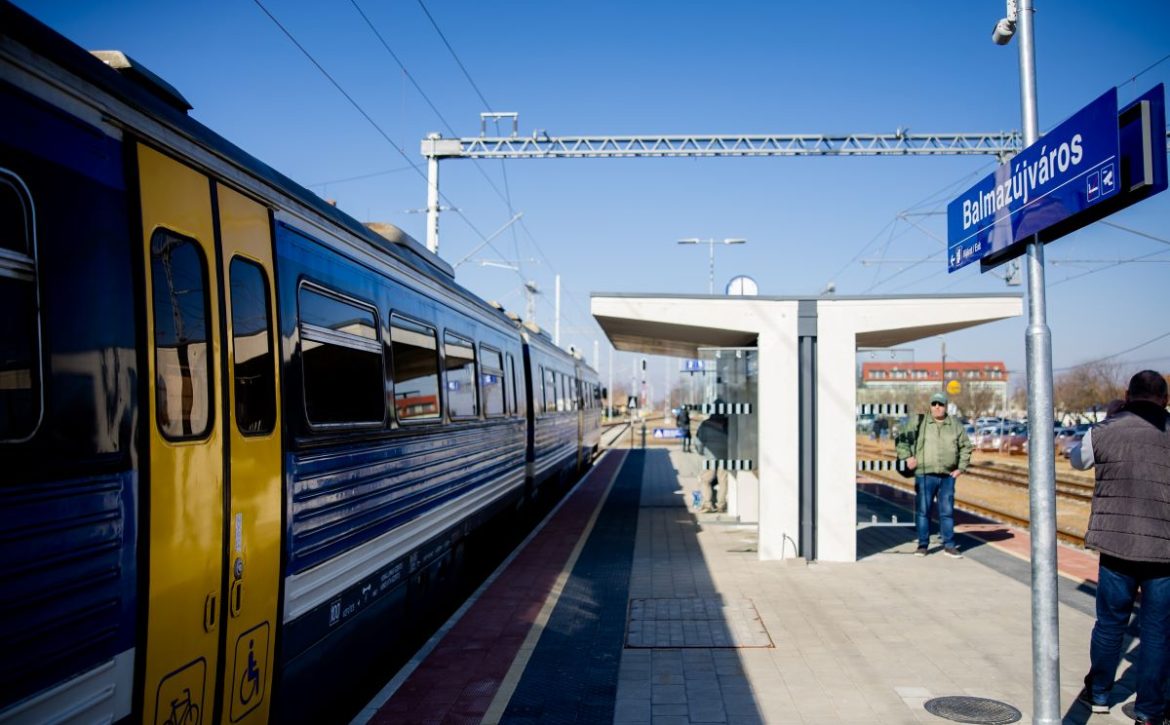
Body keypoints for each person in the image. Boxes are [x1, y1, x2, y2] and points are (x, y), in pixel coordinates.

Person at [1069, 371, 1169, 725]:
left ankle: (1098, 693)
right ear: (1165, 399)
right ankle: (1148, 711)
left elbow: (1076, 460)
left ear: (1127, 395)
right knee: (1157, 631)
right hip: (1164, 552)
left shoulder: (1106, 430)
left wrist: (1110, 418)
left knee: (1110, 624)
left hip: (1115, 544)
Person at [895, 392, 972, 558]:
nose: (937, 407)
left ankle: (949, 546)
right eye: (934, 403)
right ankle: (923, 545)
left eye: (941, 404)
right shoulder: (919, 421)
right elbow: (902, 440)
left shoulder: (955, 425)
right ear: (930, 406)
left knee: (947, 511)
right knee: (924, 511)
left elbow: (966, 446)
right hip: (924, 475)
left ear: (946, 406)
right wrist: (907, 457)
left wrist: (961, 468)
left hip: (947, 476)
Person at [695, 405, 729, 513]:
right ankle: (721, 505)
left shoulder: (705, 424)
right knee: (723, 480)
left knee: (705, 479)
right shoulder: (728, 423)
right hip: (725, 455)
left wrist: (701, 451)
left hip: (710, 456)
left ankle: (707, 504)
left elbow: (698, 441)